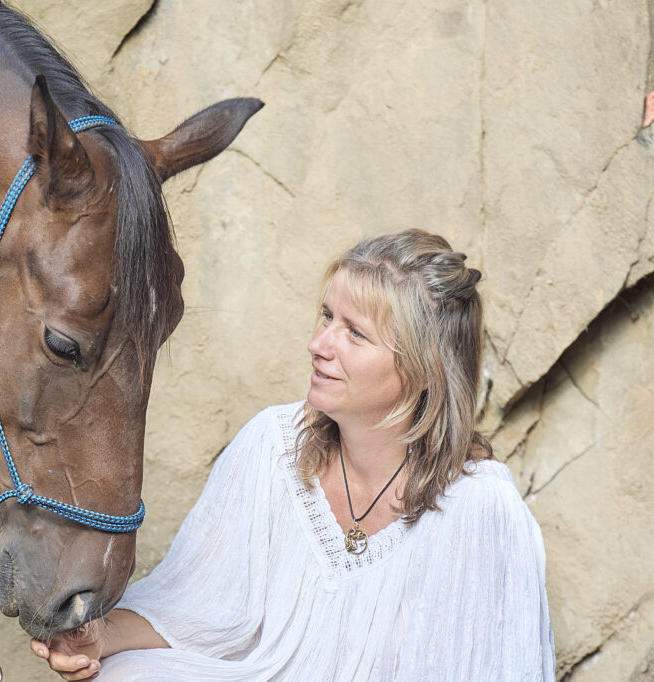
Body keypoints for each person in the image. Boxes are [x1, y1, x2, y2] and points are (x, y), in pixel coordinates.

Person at [30, 230, 556, 681]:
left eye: (355, 333)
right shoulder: (273, 443)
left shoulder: (482, 509)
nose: (319, 343)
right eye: (327, 315)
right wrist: (97, 640)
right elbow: (195, 612)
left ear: (422, 371)